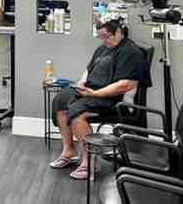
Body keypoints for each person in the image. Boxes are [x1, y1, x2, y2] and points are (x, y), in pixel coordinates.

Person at [49, 17, 150, 180]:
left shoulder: (131, 53)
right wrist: (81, 83)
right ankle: (69, 150)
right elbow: (89, 69)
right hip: (91, 91)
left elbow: (125, 85)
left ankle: (89, 162)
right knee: (60, 100)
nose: (104, 40)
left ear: (118, 32)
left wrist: (95, 94)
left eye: (106, 36)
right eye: (100, 37)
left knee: (76, 112)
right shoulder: (103, 48)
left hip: (112, 98)